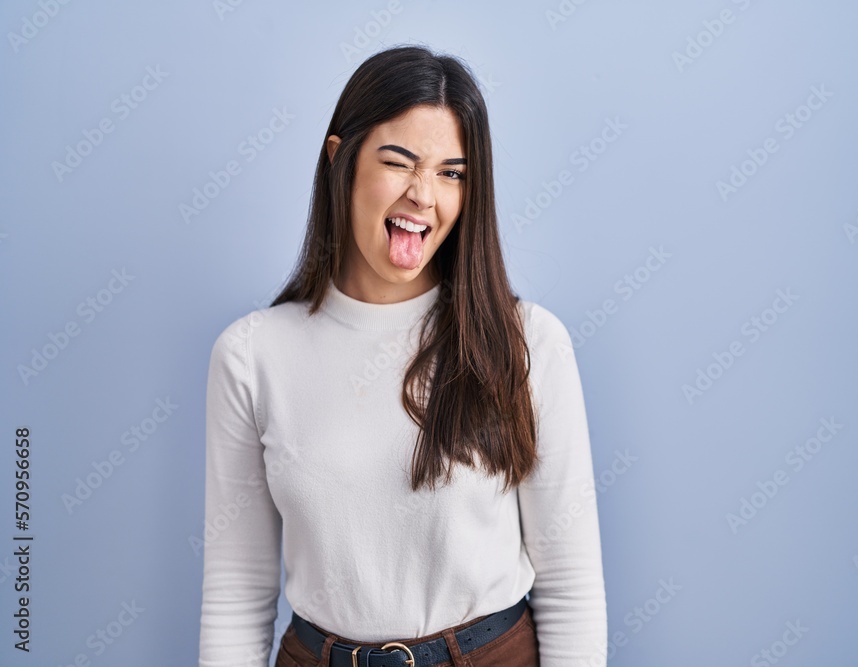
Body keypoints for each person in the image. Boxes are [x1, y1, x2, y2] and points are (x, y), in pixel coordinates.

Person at [198, 44, 607, 667]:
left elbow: (571, 588)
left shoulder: (528, 343)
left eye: (452, 173)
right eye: (399, 162)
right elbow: (235, 595)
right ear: (341, 162)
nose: (424, 194)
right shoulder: (252, 356)